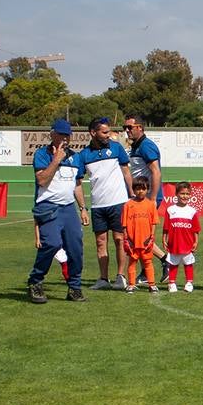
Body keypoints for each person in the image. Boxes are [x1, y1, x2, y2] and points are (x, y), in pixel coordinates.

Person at [27, 118, 89, 303]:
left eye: (67, 135)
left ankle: (74, 288)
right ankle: (36, 282)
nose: (64, 138)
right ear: (52, 134)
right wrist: (56, 160)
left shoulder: (75, 157)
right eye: (61, 134)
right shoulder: (42, 154)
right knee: (52, 244)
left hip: (69, 207)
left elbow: (77, 184)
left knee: (75, 248)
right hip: (48, 206)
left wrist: (83, 208)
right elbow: (42, 181)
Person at [78, 117, 133, 290]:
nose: (108, 135)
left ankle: (120, 277)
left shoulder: (116, 148)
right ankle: (103, 279)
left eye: (109, 131)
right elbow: (77, 183)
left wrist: (131, 194)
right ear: (93, 133)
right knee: (101, 242)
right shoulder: (84, 155)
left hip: (118, 203)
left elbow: (126, 171)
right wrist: (83, 208)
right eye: (104, 132)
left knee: (119, 239)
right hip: (98, 206)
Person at [162, 181, 202, 293]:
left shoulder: (192, 211)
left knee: (188, 264)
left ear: (190, 195)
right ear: (176, 194)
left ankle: (189, 283)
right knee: (173, 264)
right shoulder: (170, 210)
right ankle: (172, 283)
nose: (185, 196)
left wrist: (196, 242)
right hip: (174, 243)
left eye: (187, 194)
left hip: (188, 243)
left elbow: (196, 229)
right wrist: (164, 239)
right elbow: (166, 227)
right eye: (182, 193)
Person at [121, 177, 159, 293]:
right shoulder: (128, 205)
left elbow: (154, 222)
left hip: (146, 240)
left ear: (147, 190)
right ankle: (131, 284)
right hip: (133, 240)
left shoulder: (151, 204)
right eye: (137, 189)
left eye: (143, 189)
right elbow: (124, 224)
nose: (140, 191)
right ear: (133, 189)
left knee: (148, 262)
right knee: (132, 262)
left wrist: (152, 236)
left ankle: (152, 284)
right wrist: (126, 238)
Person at [122, 115, 162, 205]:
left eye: (129, 127)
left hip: (147, 197)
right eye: (125, 127)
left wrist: (153, 199)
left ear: (139, 127)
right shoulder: (136, 145)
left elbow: (156, 172)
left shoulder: (146, 145)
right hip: (140, 196)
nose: (127, 130)